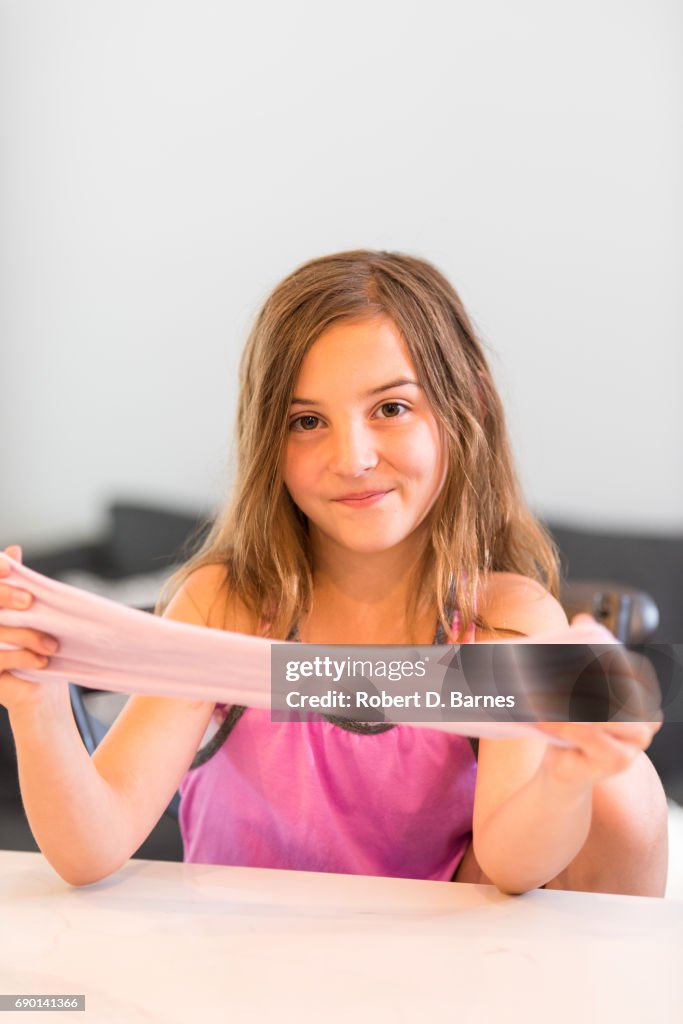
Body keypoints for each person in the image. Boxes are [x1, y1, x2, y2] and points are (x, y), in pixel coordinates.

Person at [0, 250, 668, 895]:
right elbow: (91, 849)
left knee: (625, 788)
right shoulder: (225, 603)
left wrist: (564, 777)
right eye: (306, 421)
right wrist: (37, 706)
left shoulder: (505, 619)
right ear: (268, 439)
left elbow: (510, 865)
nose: (351, 458)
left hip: (422, 981)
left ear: (467, 407)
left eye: (391, 408)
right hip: (236, 974)